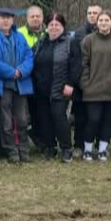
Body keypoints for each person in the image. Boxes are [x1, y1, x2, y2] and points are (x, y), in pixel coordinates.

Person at [31, 12, 81, 162]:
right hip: (41, 88)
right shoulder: (41, 42)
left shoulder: (70, 42)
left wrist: (70, 84)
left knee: (59, 119)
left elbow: (76, 65)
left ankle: (66, 148)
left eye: (57, 25)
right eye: (51, 25)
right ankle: (49, 147)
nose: (53, 28)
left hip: (60, 88)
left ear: (63, 26)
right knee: (45, 119)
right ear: (46, 27)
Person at [0, 8, 35, 163]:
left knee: (22, 119)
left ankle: (24, 149)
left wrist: (20, 71)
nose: (5, 21)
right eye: (2, 17)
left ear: (13, 20)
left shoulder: (19, 37)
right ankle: (11, 150)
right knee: (5, 121)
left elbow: (29, 57)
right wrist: (10, 72)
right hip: (2, 85)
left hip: (20, 84)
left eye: (8, 18)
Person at [80, 10, 111, 162]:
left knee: (108, 121)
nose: (103, 23)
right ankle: (87, 149)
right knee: (93, 119)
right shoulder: (88, 40)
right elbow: (83, 63)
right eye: (101, 20)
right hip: (93, 88)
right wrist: (85, 83)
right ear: (96, 23)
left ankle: (102, 150)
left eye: (107, 20)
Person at [71, 4, 102, 159]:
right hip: (81, 82)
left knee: (97, 117)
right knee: (81, 116)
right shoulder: (79, 34)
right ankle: (78, 145)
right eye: (89, 12)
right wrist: (79, 81)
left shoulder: (108, 32)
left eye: (95, 13)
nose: (92, 15)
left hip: (101, 81)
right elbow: (77, 60)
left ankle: (98, 145)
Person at [18, 5, 45, 150]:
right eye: (32, 16)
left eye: (38, 16)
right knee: (29, 112)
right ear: (27, 18)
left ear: (42, 17)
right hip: (26, 78)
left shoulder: (49, 32)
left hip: (45, 79)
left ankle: (43, 139)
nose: (35, 19)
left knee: (43, 112)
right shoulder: (19, 33)